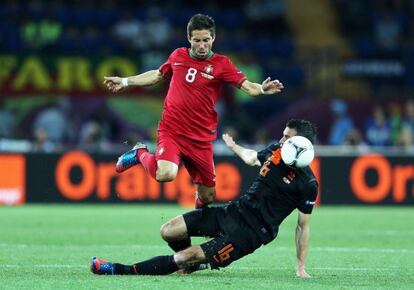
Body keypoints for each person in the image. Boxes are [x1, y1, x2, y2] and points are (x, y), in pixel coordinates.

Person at [90, 119, 318, 278]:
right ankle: (193, 265)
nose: (281, 140)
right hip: (234, 212)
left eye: (287, 138)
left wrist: (300, 266)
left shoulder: (307, 184)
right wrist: (235, 146)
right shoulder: (275, 151)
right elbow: (252, 158)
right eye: (283, 135)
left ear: (302, 146)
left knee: (181, 258)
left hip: (250, 235)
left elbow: (302, 227)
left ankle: (118, 270)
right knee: (168, 231)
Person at [103, 14, 284, 208]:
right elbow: (156, 75)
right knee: (166, 174)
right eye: (197, 40)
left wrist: (263, 89)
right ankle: (140, 153)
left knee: (207, 197)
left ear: (213, 38)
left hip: (200, 137)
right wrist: (124, 81)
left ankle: (193, 223)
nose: (201, 45)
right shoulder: (178, 55)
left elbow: (249, 88)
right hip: (172, 129)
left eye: (206, 40)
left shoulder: (222, 64)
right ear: (189, 38)